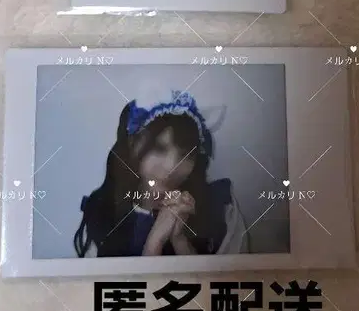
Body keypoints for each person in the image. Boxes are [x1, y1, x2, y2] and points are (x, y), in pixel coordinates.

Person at [73, 91, 249, 257]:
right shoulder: (100, 214)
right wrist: (154, 243)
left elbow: (236, 277)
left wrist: (180, 241)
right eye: (158, 148)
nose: (172, 167)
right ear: (132, 145)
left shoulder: (222, 210)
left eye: (185, 154)